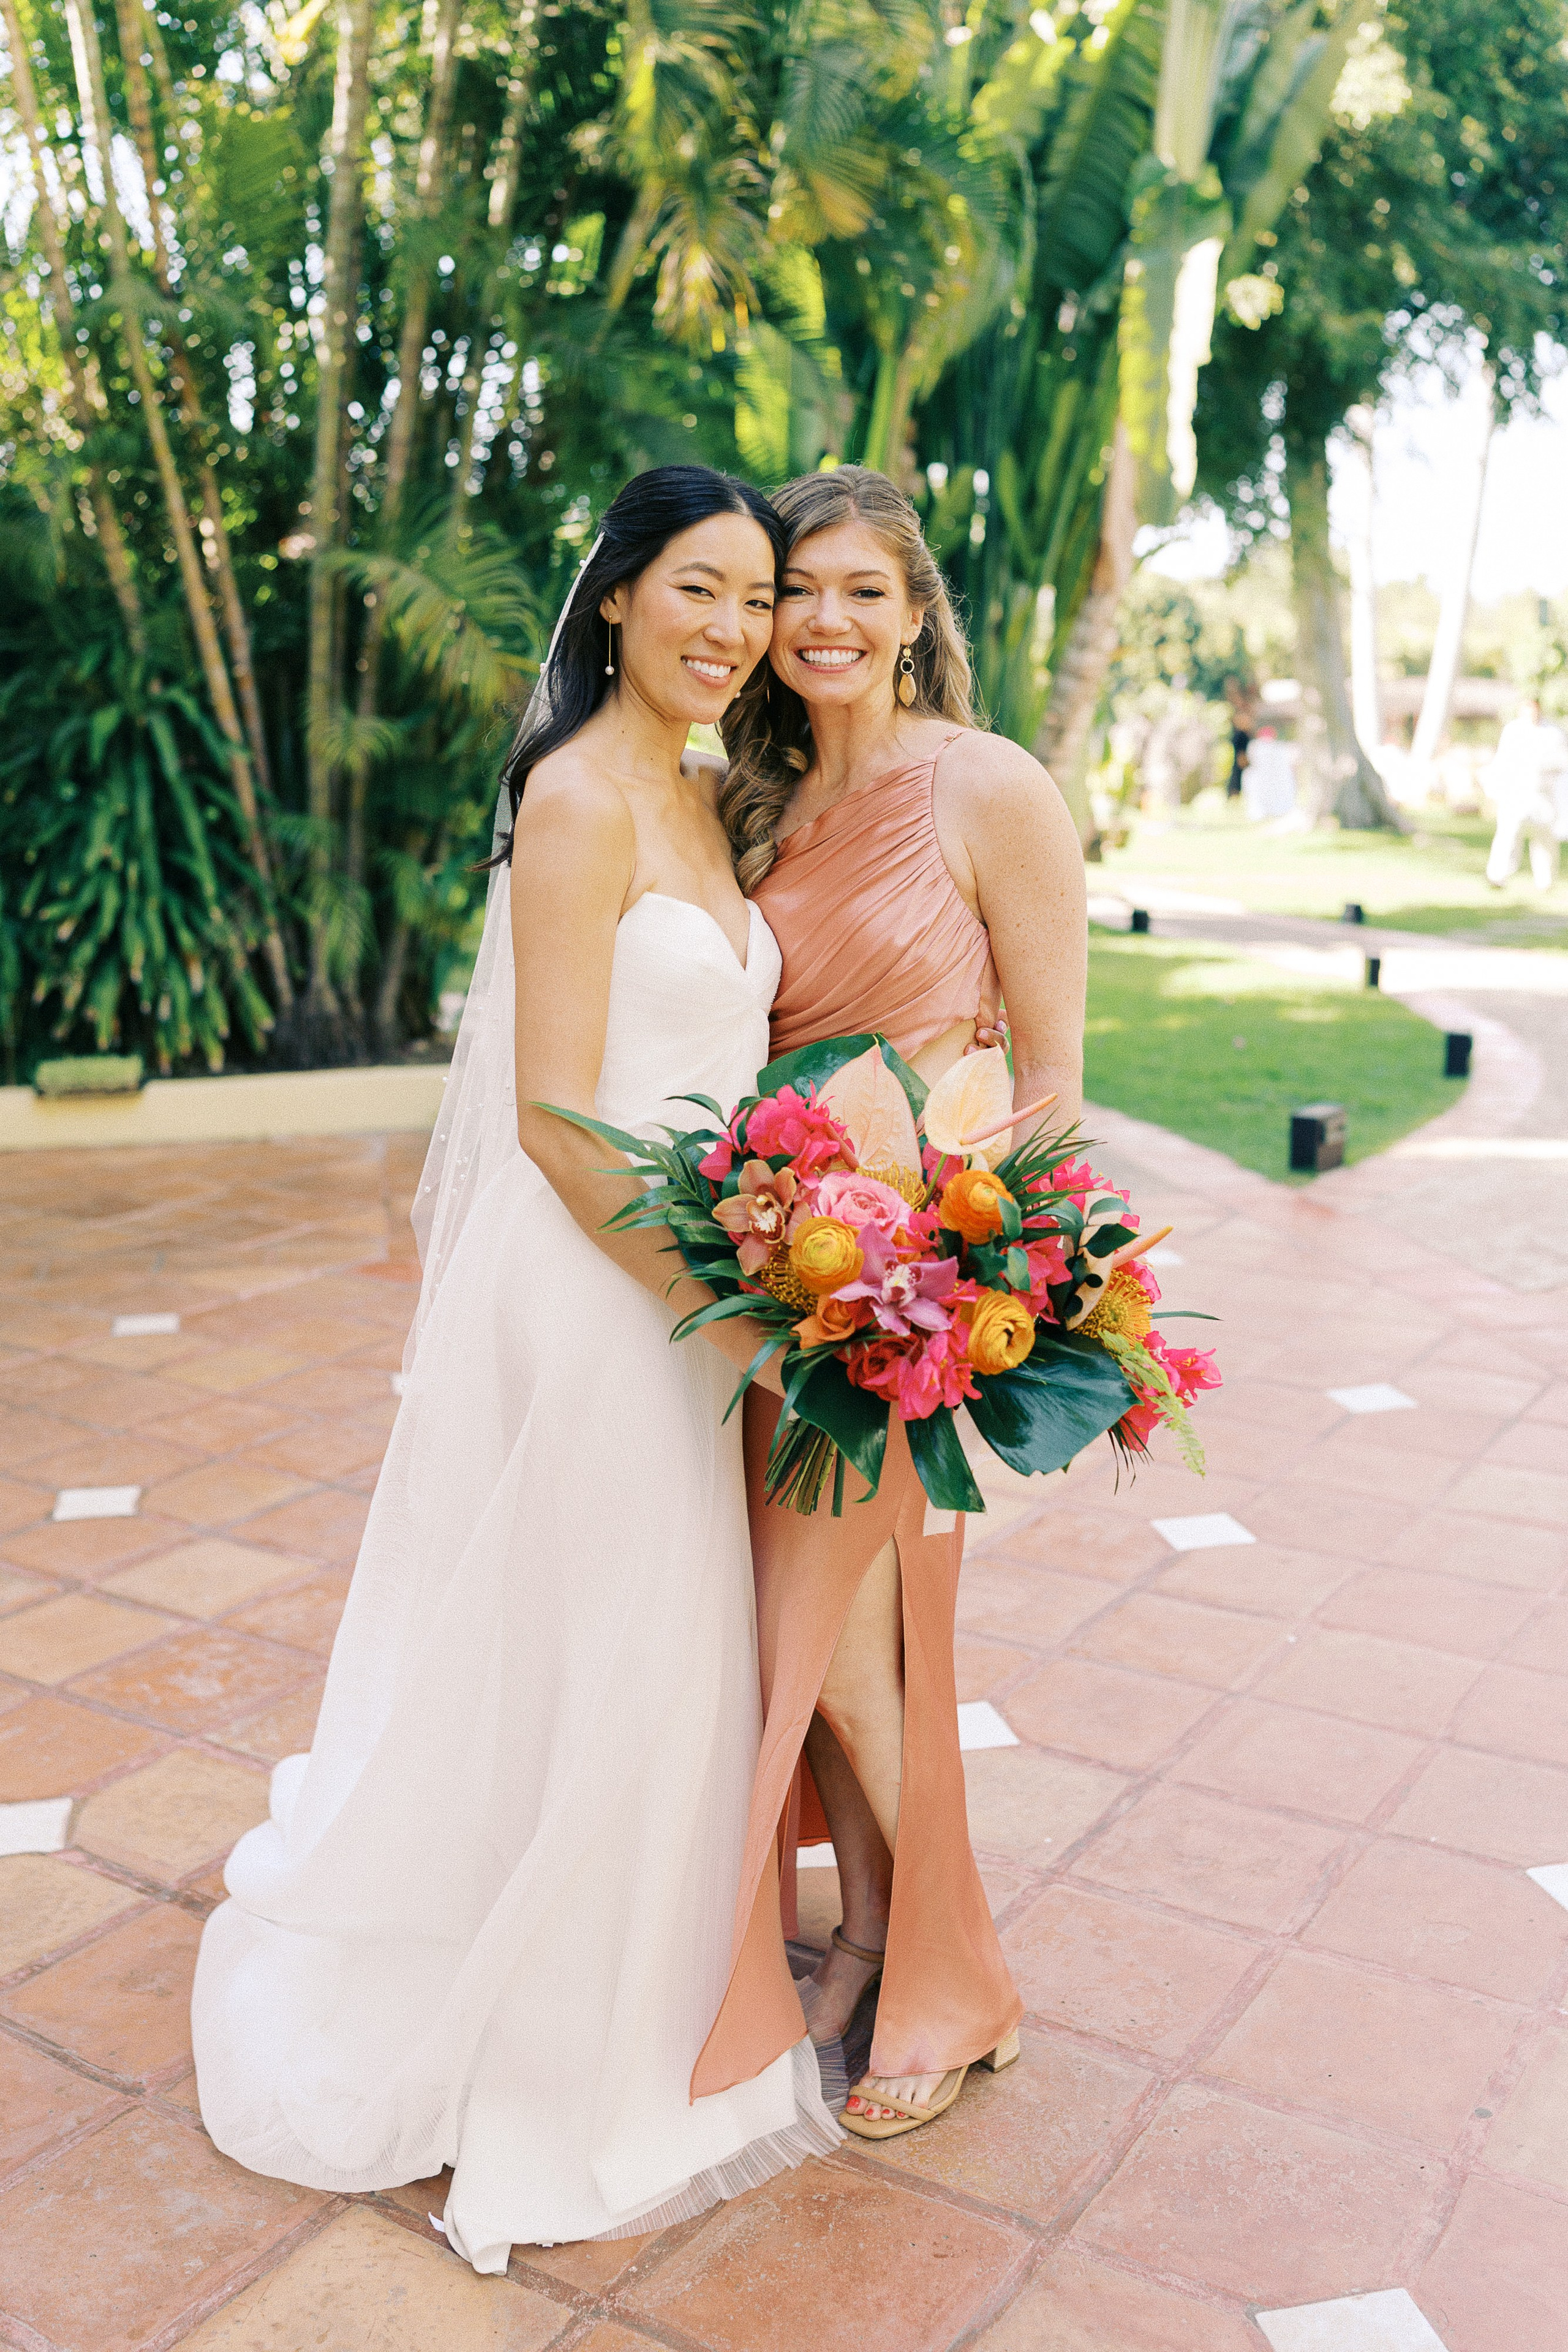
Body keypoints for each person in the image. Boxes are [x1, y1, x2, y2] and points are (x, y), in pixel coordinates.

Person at [191, 467, 840, 2267]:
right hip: (596, 1287)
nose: (729, 627)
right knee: (607, 1648)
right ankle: (550, 2050)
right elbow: (561, 1120)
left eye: (753, 597)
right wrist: (719, 1296)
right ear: (617, 596)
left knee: (652, 1651)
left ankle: (637, 2000)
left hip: (698, 1271)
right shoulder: (573, 799)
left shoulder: (708, 791)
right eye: (696, 589)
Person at [690, 466, 1087, 2140]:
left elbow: (1057, 1074)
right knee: (802, 1644)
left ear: (919, 612)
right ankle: (865, 1947)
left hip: (912, 1301)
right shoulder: (747, 809)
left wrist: (987, 1270)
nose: (826, 622)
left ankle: (958, 1985)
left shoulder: (990, 790)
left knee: (856, 1657)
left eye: (865, 591)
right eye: (800, 594)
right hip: (770, 1281)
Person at [1485, 697, 1568, 889]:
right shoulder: (1513, 731)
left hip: (1544, 792)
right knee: (1508, 833)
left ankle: (1546, 881)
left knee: (1545, 838)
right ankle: (1498, 875)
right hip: (1516, 791)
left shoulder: (1554, 733)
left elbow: (1563, 763)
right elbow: (1503, 761)